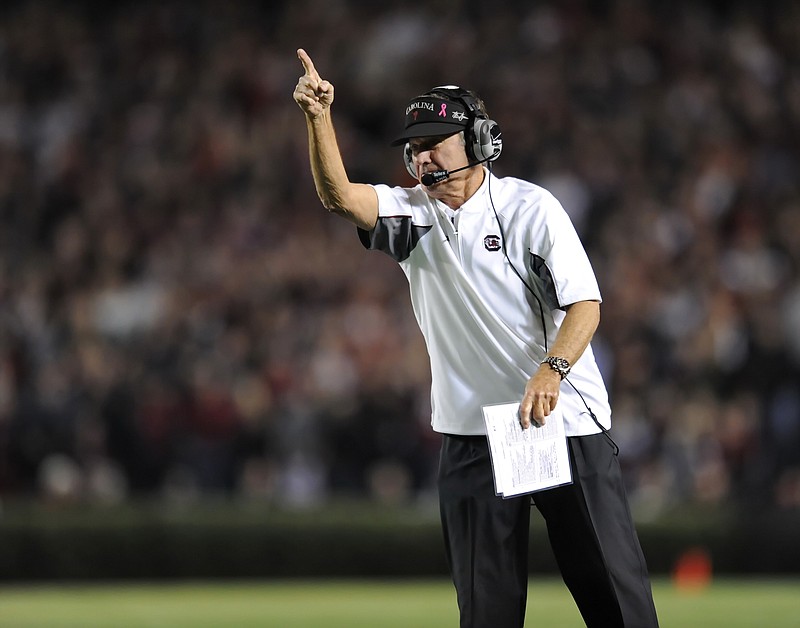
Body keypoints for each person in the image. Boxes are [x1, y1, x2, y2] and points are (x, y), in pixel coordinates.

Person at [293, 48, 659, 628]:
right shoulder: (413, 215)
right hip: (473, 435)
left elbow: (585, 306)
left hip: (561, 424)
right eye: (414, 145)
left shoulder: (530, 208)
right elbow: (340, 197)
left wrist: (552, 370)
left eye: (437, 139)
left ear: (481, 139)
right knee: (486, 614)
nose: (423, 155)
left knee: (614, 600)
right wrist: (319, 119)